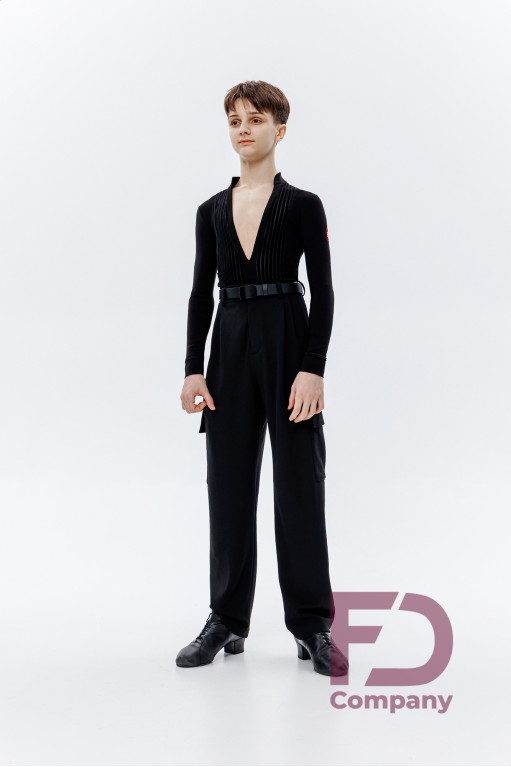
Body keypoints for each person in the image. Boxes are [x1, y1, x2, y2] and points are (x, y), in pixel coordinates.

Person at [176, 80, 348, 677]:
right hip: (228, 345)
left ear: (280, 128)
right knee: (226, 486)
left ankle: (312, 624)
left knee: (300, 485)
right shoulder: (210, 211)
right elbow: (200, 294)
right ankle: (226, 619)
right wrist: (193, 368)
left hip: (287, 338)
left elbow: (324, 291)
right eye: (234, 120)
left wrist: (313, 367)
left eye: (255, 118)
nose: (243, 129)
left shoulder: (303, 205)